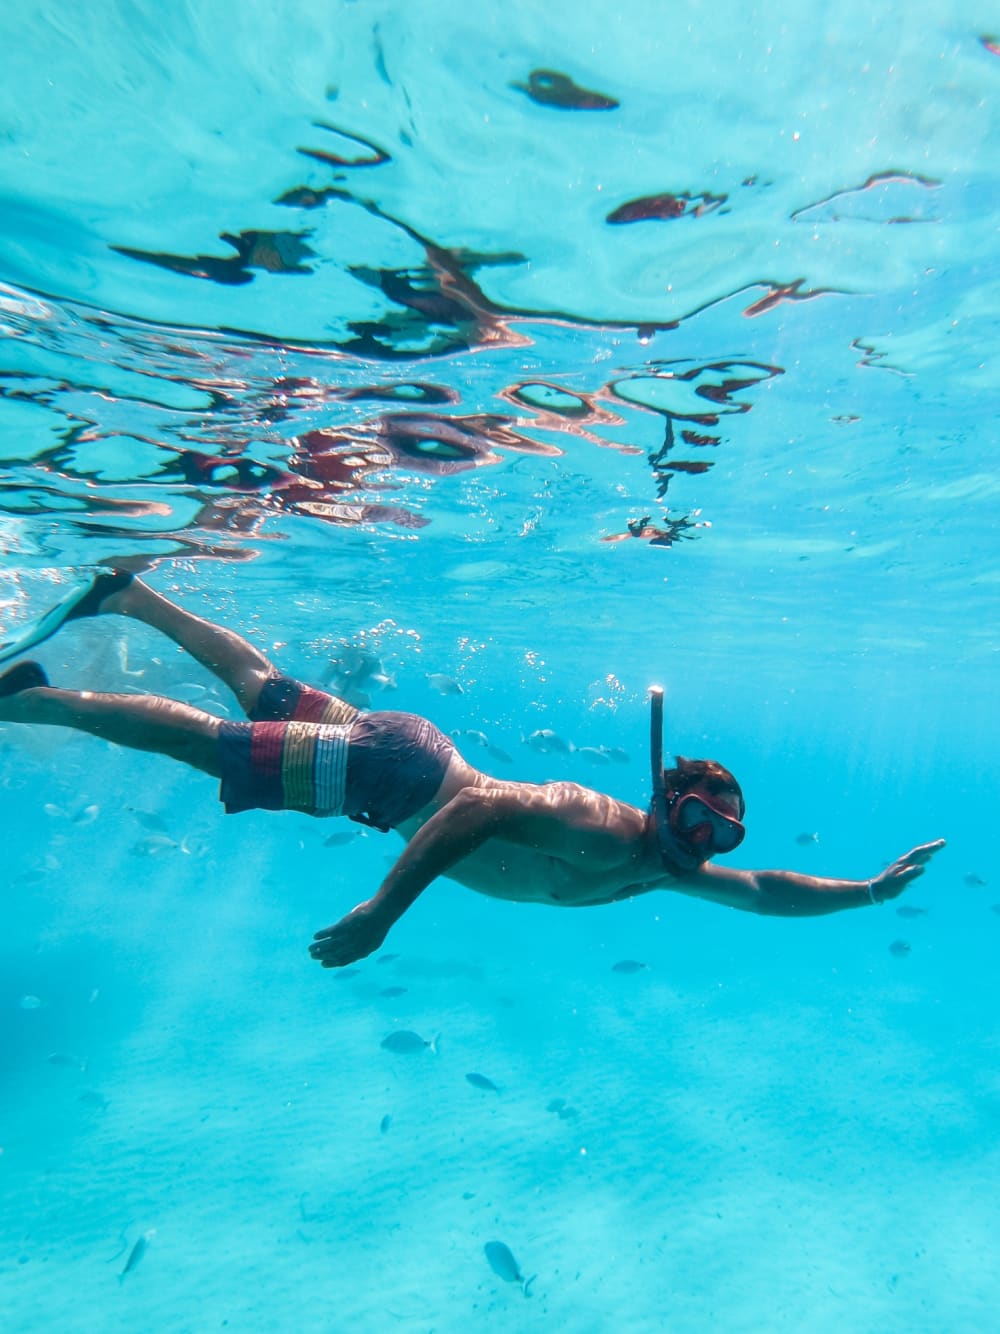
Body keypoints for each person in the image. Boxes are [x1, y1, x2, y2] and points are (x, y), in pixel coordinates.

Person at [0, 571, 944, 968]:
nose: (704, 847)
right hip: (400, 783)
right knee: (206, 743)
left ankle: (133, 597)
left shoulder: (657, 867)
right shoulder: (600, 824)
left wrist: (866, 892)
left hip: (409, 760)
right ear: (664, 801)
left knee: (263, 694)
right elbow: (480, 814)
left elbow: (766, 892)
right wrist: (380, 913)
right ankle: (31, 699)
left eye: (719, 834)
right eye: (697, 820)